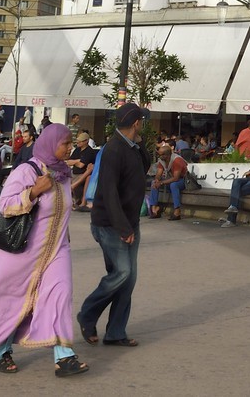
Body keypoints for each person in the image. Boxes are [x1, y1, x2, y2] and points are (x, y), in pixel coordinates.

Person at [0, 123, 88, 378]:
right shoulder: (27, 170)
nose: (70, 148)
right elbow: (5, 205)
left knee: (60, 295)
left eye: (71, 143)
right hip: (23, 252)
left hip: (57, 250)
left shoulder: (64, 173)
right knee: (16, 302)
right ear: (50, 144)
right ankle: (2, 350)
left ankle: (64, 357)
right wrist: (35, 191)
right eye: (65, 143)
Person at [78, 102, 148, 348]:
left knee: (127, 280)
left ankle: (116, 331)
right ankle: (87, 313)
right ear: (136, 123)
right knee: (122, 273)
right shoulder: (113, 149)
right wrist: (123, 228)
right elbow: (108, 192)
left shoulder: (131, 147)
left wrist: (140, 144)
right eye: (142, 122)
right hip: (110, 224)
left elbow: (144, 168)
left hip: (129, 222)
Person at [146, 139, 188, 220]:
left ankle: (177, 210)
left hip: (182, 181)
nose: (159, 156)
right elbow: (158, 174)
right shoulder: (162, 161)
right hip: (169, 180)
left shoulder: (177, 160)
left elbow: (176, 178)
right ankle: (154, 208)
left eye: (161, 155)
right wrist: (157, 180)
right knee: (154, 182)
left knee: (173, 185)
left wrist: (161, 183)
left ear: (167, 155)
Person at [70, 131, 97, 211]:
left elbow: (81, 165)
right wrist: (78, 161)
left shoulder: (89, 151)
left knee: (82, 179)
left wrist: (75, 162)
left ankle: (80, 202)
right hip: (74, 172)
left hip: (83, 173)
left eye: (80, 141)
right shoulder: (77, 150)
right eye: (78, 140)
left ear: (86, 141)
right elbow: (68, 161)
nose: (78, 142)